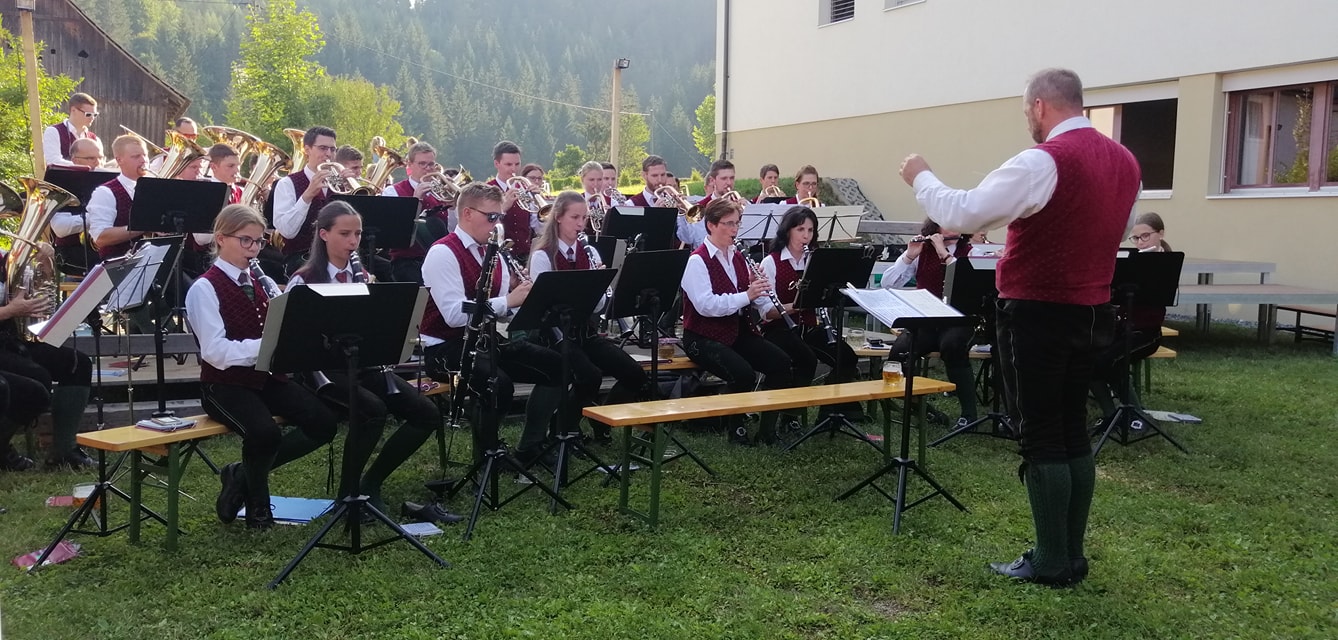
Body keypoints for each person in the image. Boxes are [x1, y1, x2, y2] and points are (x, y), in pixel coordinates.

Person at [898, 68, 1140, 585]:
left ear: (1039, 107)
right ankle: (1070, 553)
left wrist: (921, 174)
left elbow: (964, 212)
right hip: (1093, 310)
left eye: (1025, 111)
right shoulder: (1125, 162)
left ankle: (1053, 559)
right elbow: (1106, 231)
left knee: (1041, 435)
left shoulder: (1042, 161)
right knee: (1073, 428)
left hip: (1039, 313)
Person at [287, 201, 461, 524]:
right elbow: (295, 340)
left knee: (426, 413)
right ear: (323, 235)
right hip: (321, 370)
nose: (353, 242)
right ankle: (347, 496)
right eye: (344, 234)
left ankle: (371, 482)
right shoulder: (304, 279)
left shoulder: (363, 275)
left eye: (357, 234)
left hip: (362, 364)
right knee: (371, 411)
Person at [186, 204, 339, 529]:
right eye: (246, 241)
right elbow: (215, 352)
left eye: (259, 242)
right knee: (264, 433)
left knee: (323, 422)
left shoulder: (259, 281)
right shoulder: (204, 288)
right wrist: (268, 346)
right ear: (221, 238)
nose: (254, 249)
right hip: (222, 384)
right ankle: (258, 506)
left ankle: (240, 476)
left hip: (264, 377)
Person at [420, 182, 572, 468]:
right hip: (445, 346)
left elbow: (503, 311)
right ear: (467, 214)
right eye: (491, 217)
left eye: (499, 216)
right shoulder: (442, 253)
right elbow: (454, 314)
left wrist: (529, 300)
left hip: (487, 340)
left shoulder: (497, 252)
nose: (496, 224)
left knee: (556, 365)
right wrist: (508, 301)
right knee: (498, 384)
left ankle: (531, 446)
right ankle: (487, 454)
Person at [529, 191, 649, 445]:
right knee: (589, 375)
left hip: (585, 331)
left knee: (634, 373)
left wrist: (600, 286)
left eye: (584, 217)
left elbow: (601, 306)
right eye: (574, 217)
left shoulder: (591, 252)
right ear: (559, 218)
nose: (580, 223)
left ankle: (600, 418)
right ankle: (564, 428)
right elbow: (542, 306)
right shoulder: (544, 255)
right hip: (555, 335)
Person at [680, 197, 796, 445]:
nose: (735, 230)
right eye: (729, 224)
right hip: (702, 335)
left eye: (738, 224)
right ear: (711, 225)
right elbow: (706, 305)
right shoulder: (697, 261)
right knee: (742, 374)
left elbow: (747, 300)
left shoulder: (739, 257)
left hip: (736, 330)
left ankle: (768, 430)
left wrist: (758, 291)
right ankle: (736, 429)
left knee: (781, 363)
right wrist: (747, 294)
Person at [761, 206, 864, 417]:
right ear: (788, 231)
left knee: (846, 357)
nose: (806, 236)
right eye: (800, 229)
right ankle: (792, 417)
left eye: (810, 230)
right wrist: (799, 304)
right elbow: (766, 312)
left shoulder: (816, 262)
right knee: (805, 358)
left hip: (808, 327)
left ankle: (829, 414)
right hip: (779, 330)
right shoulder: (771, 262)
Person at [0, 239, 94, 469]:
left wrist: (45, 265)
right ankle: (1, 449)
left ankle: (63, 450)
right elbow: (12, 306)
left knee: (77, 363)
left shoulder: (4, 256)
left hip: (10, 338)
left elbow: (28, 286)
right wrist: (10, 311)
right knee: (37, 381)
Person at [880, 219, 979, 426]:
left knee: (952, 346)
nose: (954, 227)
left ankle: (969, 414)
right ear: (935, 227)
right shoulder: (922, 251)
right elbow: (887, 283)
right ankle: (920, 409)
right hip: (926, 319)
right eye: (947, 223)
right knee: (900, 351)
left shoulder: (971, 252)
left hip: (958, 320)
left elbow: (967, 281)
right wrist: (908, 256)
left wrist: (944, 253)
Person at [1090, 212, 1172, 416]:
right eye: (1136, 238)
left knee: (1109, 362)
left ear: (1160, 234)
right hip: (1121, 330)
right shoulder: (1130, 262)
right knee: (1086, 360)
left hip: (1146, 334)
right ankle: (1111, 415)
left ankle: (1135, 414)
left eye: (1146, 236)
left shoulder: (1166, 265)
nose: (1141, 243)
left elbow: (1157, 301)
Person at [274, 126, 356, 275]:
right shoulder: (287, 183)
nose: (329, 154)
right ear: (307, 149)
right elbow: (287, 231)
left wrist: (352, 193)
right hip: (302, 255)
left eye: (332, 149)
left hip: (340, 253)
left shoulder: (341, 183)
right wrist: (307, 195)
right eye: (323, 148)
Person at [384, 142, 452, 284]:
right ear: (410, 164)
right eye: (422, 164)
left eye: (431, 164)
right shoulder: (393, 191)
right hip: (407, 261)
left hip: (440, 260)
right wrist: (416, 200)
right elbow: (395, 230)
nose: (428, 169)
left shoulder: (442, 192)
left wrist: (455, 203)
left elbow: (451, 229)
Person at [49, 138, 107, 275]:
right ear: (75, 160)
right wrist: (97, 217)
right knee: (113, 265)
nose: (98, 162)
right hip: (71, 253)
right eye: (91, 158)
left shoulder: (108, 181)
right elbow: (60, 228)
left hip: (101, 249)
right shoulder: (61, 183)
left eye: (100, 157)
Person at [86, 134, 148, 261]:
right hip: (119, 269)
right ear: (119, 160)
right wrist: (143, 227)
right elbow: (100, 238)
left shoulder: (155, 188)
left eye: (145, 155)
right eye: (136, 156)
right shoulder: (105, 192)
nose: (143, 160)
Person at [486, 141, 540, 259]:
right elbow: (484, 224)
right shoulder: (486, 190)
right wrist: (503, 208)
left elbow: (538, 227)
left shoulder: (525, 188)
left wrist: (538, 203)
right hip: (498, 257)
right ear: (497, 164)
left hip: (525, 255)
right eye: (508, 164)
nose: (514, 169)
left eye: (517, 164)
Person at [42, 93, 99, 168]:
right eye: (88, 114)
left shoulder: (94, 138)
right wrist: (84, 167)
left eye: (95, 115)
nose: (92, 118)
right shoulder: (54, 131)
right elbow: (53, 161)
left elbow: (100, 164)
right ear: (73, 110)